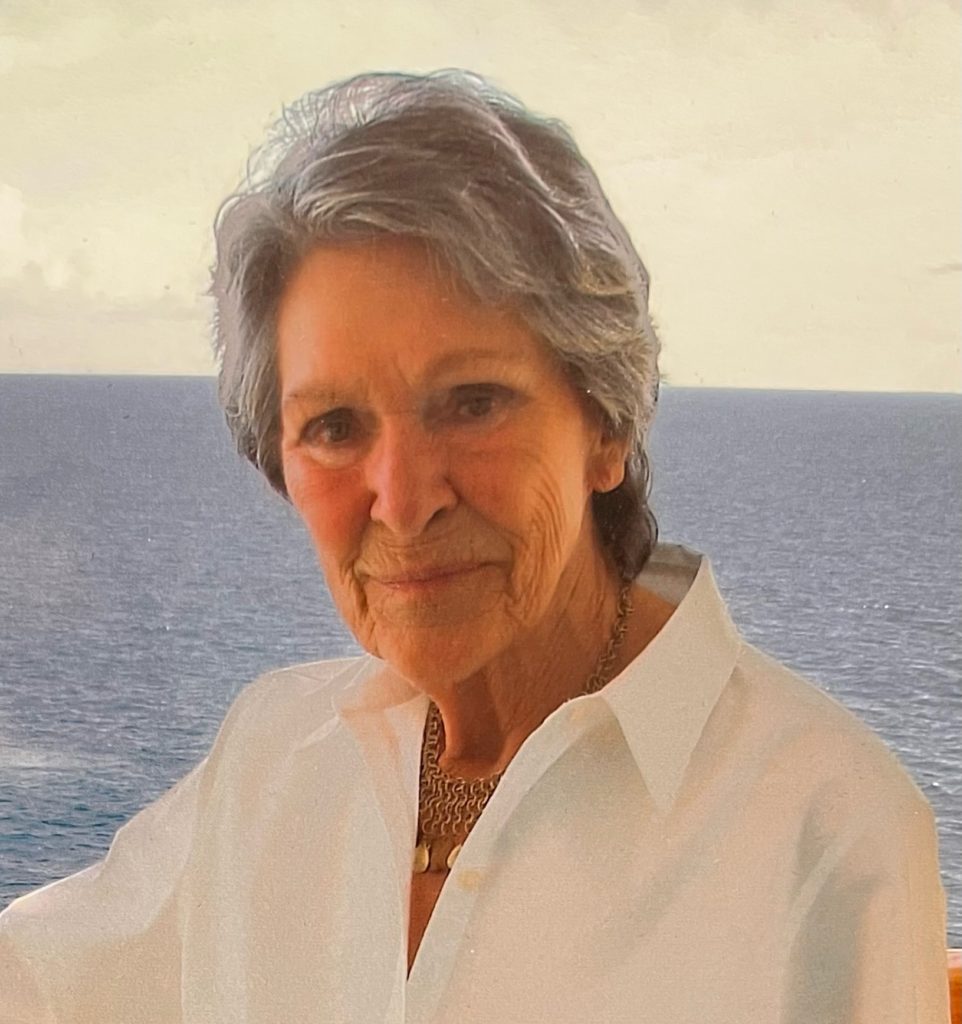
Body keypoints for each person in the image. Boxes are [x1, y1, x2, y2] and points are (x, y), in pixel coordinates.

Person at [0, 70, 950, 1023]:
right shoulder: (273, 763)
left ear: (608, 425)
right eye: (334, 426)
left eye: (473, 403)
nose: (405, 502)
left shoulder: (827, 827)